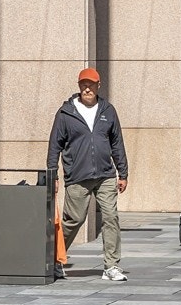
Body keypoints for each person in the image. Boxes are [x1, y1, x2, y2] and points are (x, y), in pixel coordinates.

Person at [47, 67, 130, 282]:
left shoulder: (108, 110)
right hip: (77, 175)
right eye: (83, 84)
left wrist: (123, 172)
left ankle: (111, 266)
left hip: (105, 174)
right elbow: (54, 145)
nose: (87, 88)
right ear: (78, 86)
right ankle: (54, 259)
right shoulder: (66, 113)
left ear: (98, 86)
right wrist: (53, 174)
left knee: (111, 217)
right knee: (74, 219)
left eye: (91, 84)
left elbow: (117, 142)